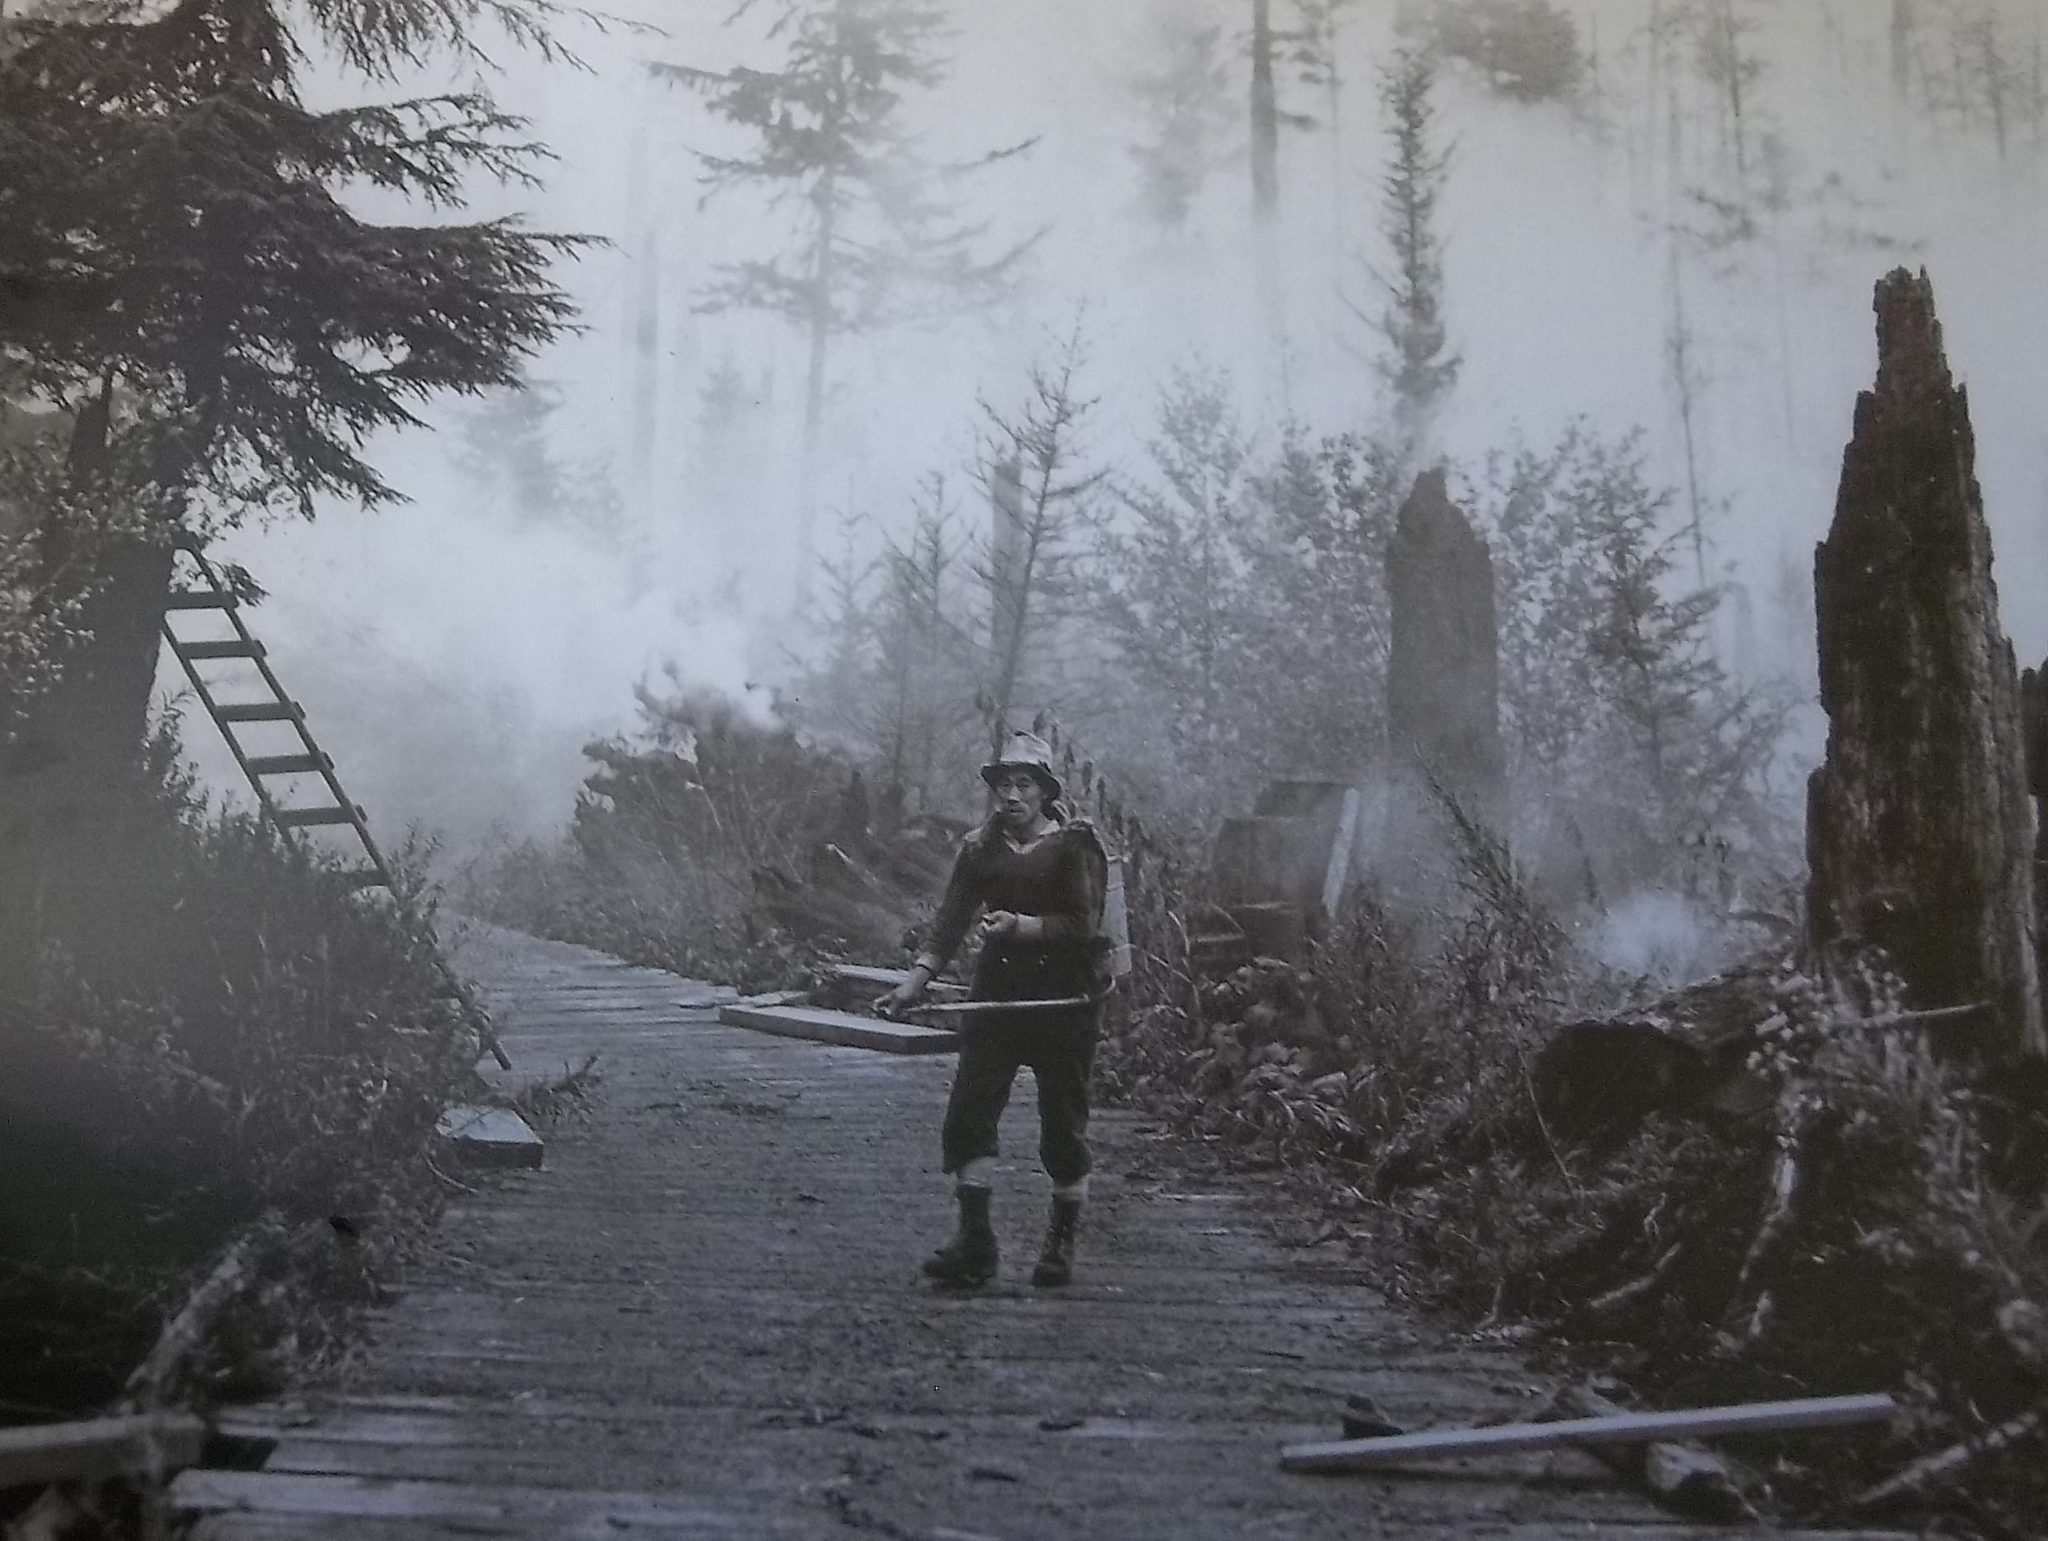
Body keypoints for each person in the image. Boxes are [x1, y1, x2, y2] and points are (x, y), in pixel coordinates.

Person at [876, 732, 1110, 1289]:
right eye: (1002, 785)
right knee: (970, 1114)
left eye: (1022, 784)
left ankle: (1060, 1244)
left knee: (1062, 1125)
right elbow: (951, 919)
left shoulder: (1074, 846)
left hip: (1063, 1001)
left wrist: (1021, 927)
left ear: (1044, 790)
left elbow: (1084, 927)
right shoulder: (980, 848)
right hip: (997, 996)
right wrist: (914, 982)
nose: (1011, 796)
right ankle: (975, 1242)